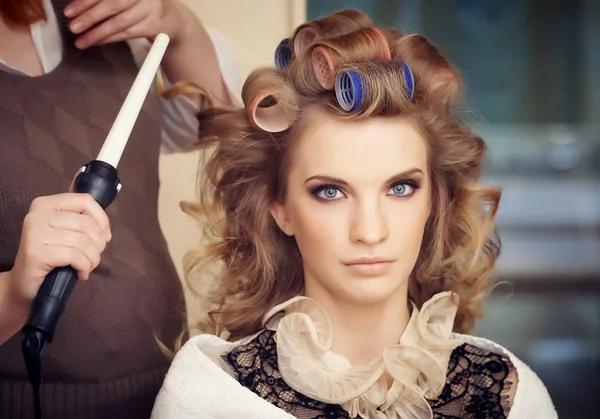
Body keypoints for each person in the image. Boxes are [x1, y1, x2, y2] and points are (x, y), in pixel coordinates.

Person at [151, 9, 558, 419]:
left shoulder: (511, 397)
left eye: (400, 188)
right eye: (330, 192)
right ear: (280, 210)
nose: (369, 230)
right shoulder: (210, 397)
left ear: (434, 201)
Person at [0, 0, 239, 418]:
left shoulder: (102, 17)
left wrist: (178, 24)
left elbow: (220, 127)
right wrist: (14, 292)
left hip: (164, 386)